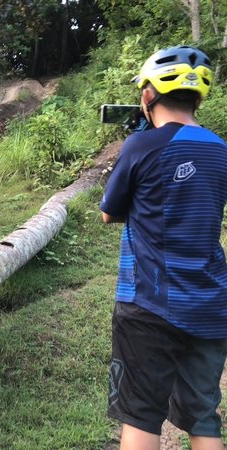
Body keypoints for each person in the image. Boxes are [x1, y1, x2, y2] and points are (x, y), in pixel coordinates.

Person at [100, 45, 227, 450]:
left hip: (149, 303)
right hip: (210, 304)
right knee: (205, 420)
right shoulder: (222, 150)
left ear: (148, 96)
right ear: (198, 98)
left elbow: (109, 212)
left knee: (141, 414)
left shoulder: (141, 146)